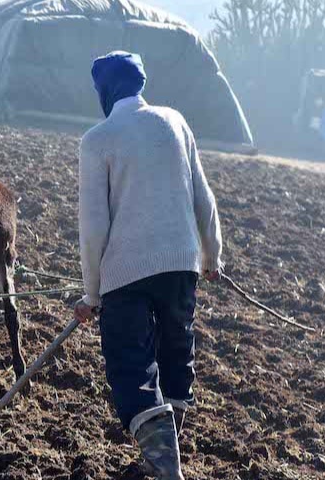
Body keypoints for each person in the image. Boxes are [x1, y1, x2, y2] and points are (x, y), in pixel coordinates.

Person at [73, 51, 223, 479]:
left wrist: (91, 293)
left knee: (131, 366)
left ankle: (164, 469)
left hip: (125, 273)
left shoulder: (97, 139)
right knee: (177, 357)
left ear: (104, 91)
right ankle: (166, 457)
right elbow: (203, 198)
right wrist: (212, 258)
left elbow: (93, 227)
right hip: (182, 265)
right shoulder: (174, 121)